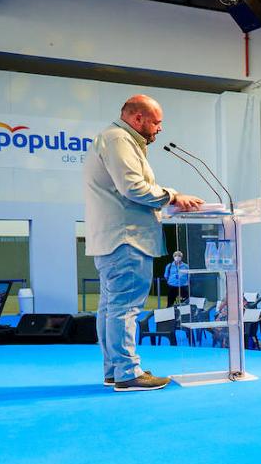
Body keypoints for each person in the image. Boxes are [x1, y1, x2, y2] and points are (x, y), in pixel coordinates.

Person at [84, 94, 203, 392]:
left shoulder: (112, 138)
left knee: (112, 308)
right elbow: (133, 188)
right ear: (138, 118)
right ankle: (127, 373)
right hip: (127, 239)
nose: (160, 128)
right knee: (124, 309)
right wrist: (173, 196)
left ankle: (115, 370)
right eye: (156, 122)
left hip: (114, 239)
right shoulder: (119, 139)